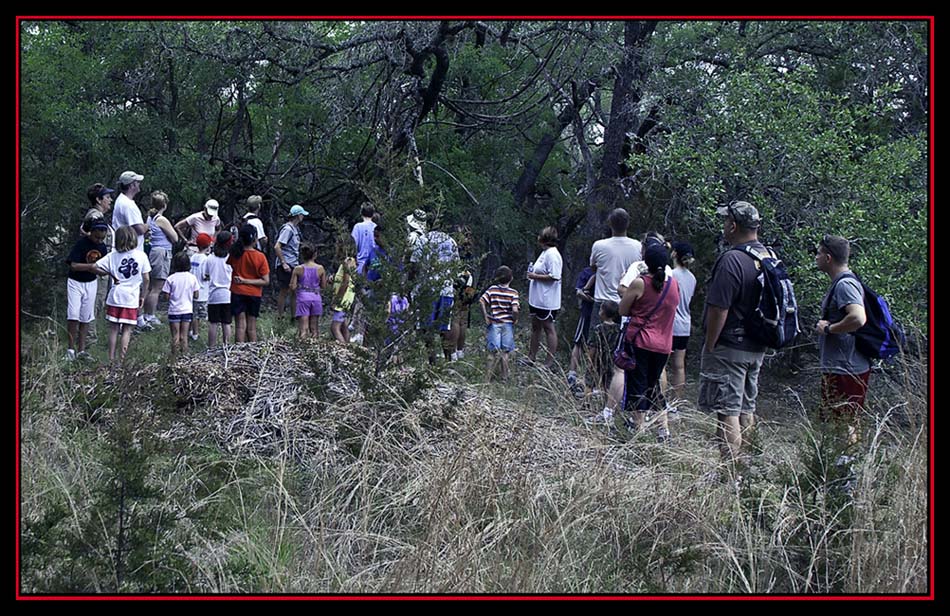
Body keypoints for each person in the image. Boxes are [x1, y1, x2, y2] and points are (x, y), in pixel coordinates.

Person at [698, 201, 768, 462]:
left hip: (730, 346)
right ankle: (746, 466)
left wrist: (711, 342)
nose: (724, 226)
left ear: (733, 226)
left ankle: (732, 469)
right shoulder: (767, 256)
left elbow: (719, 308)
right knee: (745, 407)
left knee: (728, 410)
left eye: (726, 221)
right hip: (756, 346)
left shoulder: (732, 260)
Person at [618, 244, 680, 441]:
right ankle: (663, 429)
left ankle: (639, 430)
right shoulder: (673, 285)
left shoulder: (640, 283)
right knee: (654, 386)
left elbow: (622, 310)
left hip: (641, 342)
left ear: (646, 262)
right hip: (663, 344)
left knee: (638, 385)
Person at [815, 234, 870, 448]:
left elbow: (858, 317)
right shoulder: (843, 282)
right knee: (843, 422)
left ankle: (845, 473)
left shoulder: (845, 285)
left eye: (818, 253)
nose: (816, 257)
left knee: (844, 423)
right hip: (844, 366)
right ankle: (843, 472)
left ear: (828, 257)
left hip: (846, 368)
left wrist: (829, 328)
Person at [93, 226, 151, 364]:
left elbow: (95, 266)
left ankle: (111, 359)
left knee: (113, 329)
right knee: (127, 330)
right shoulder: (141, 256)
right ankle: (122, 360)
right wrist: (143, 295)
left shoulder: (112, 256)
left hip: (115, 295)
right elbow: (147, 278)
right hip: (131, 297)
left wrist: (110, 273)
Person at [410, 224, 461, 362]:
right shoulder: (451, 241)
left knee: (427, 327)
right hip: (445, 289)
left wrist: (411, 281)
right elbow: (456, 265)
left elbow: (415, 263)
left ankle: (432, 360)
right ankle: (447, 359)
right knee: (445, 327)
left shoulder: (423, 239)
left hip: (427, 289)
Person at [64, 222, 110, 360]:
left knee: (86, 316)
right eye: (96, 237)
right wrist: (91, 267)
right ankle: (70, 349)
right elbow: (74, 265)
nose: (99, 241)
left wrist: (103, 271)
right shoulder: (81, 244)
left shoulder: (102, 247)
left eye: (102, 238)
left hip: (91, 283)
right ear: (91, 233)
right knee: (73, 314)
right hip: (75, 282)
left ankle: (81, 350)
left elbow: (103, 268)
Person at [81, 183, 116, 345]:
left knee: (97, 302)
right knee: (94, 302)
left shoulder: (97, 217)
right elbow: (90, 236)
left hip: (101, 265)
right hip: (96, 266)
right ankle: (89, 341)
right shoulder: (95, 217)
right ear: (98, 199)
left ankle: (89, 338)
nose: (110, 200)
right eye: (107, 197)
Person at [141, 191, 179, 329]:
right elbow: (175, 238)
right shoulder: (161, 219)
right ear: (165, 204)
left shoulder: (150, 218)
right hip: (161, 252)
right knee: (157, 287)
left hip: (153, 251)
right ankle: (149, 315)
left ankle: (145, 313)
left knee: (150, 285)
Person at [526, 226, 562, 368]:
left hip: (547, 300)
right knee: (535, 327)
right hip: (537, 299)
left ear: (544, 239)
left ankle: (548, 363)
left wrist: (535, 276)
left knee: (548, 328)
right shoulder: (544, 253)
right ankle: (531, 357)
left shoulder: (553, 255)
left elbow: (555, 276)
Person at [668, 241, 697, 414]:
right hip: (685, 324)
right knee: (679, 366)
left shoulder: (671, 275)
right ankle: (676, 403)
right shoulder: (692, 278)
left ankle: (659, 400)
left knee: (661, 366)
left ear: (674, 254)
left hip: (670, 324)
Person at [228, 224, 270, 343]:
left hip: (237, 292)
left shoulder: (235, 254)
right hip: (254, 294)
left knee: (240, 326)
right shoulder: (260, 257)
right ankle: (253, 352)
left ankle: (238, 352)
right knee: (251, 327)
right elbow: (265, 281)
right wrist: (249, 281)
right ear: (255, 239)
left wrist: (243, 280)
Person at [479, 266, 520, 382]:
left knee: (492, 352)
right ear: (511, 278)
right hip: (507, 324)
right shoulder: (513, 293)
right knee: (505, 352)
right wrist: (515, 319)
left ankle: (487, 378)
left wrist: (485, 315)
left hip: (494, 323)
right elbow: (515, 309)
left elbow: (482, 301)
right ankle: (504, 377)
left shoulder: (492, 289)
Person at [587, 300, 622, 425]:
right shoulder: (619, 329)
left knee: (590, 381)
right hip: (612, 361)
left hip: (599, 359)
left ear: (602, 313)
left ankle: (587, 403)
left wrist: (590, 361)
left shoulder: (598, 329)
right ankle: (609, 406)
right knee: (608, 383)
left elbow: (593, 347)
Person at [161, 251, 201, 356]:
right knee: (184, 336)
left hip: (174, 310)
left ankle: (174, 357)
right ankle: (185, 357)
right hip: (187, 310)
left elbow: (166, 296)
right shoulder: (192, 278)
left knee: (175, 335)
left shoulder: (171, 278)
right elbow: (196, 295)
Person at [274, 204, 308, 320]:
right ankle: (280, 316)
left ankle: (294, 316)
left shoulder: (295, 229)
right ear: (298, 215)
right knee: (285, 290)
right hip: (286, 264)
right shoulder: (287, 229)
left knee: (295, 290)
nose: (303, 216)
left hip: (293, 264)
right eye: (302, 214)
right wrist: (283, 263)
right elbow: (277, 247)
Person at [567, 265, 595, 395]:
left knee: (594, 347)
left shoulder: (607, 272)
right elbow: (579, 292)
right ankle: (572, 373)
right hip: (587, 312)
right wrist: (590, 299)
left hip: (601, 315)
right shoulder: (587, 272)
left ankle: (589, 379)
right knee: (579, 342)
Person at [203, 231, 233, 348]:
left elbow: (206, 274)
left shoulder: (210, 258)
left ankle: (211, 347)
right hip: (227, 294)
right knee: (226, 323)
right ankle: (227, 346)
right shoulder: (231, 258)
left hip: (213, 294)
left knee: (213, 322)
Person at [290, 243, 326, 339]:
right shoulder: (320, 268)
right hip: (316, 297)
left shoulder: (298, 269)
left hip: (303, 297)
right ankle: (315, 349)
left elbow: (292, 286)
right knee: (314, 328)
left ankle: (302, 349)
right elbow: (323, 285)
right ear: (315, 255)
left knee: (303, 328)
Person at [330, 235, 357, 344]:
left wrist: (337, 299)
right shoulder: (350, 261)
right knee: (344, 325)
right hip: (348, 298)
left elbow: (345, 282)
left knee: (335, 327)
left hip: (343, 299)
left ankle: (343, 348)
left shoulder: (347, 262)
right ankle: (348, 345)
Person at [111, 171, 147, 251]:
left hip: (125, 248)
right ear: (132, 185)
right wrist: (148, 225)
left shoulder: (121, 200)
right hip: (131, 251)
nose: (139, 184)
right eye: (137, 182)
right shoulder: (128, 205)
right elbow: (140, 229)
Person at [189, 233, 214, 342]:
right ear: (208, 245)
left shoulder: (193, 256)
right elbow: (206, 276)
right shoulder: (206, 259)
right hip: (202, 291)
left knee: (193, 313)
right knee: (198, 316)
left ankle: (190, 331)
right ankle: (195, 333)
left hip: (192, 290)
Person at [352, 202, 377, 275]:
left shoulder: (357, 227)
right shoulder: (376, 227)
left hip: (360, 264)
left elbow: (353, 246)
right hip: (375, 263)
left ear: (361, 213)